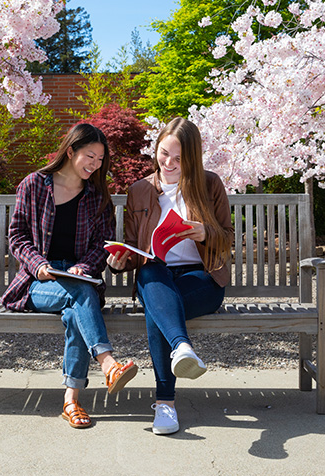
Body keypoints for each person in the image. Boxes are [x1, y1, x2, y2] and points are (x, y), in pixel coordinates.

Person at [1, 123, 137, 429]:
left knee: (78, 304)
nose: (95, 165)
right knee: (81, 296)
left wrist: (84, 268)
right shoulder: (34, 184)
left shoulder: (97, 196)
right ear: (71, 150)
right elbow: (17, 237)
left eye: (101, 160)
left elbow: (103, 245)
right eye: (90, 156)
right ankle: (108, 364)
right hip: (38, 283)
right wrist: (39, 265)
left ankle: (71, 402)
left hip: (79, 282)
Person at [107, 117, 233, 435]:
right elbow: (136, 250)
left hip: (201, 279)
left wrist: (205, 232)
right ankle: (181, 351)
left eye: (179, 158)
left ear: (192, 158)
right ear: (156, 150)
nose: (169, 163)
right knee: (152, 276)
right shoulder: (139, 191)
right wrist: (120, 263)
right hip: (156, 274)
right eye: (164, 154)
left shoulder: (210, 184)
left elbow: (227, 238)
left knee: (157, 310)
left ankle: (166, 403)